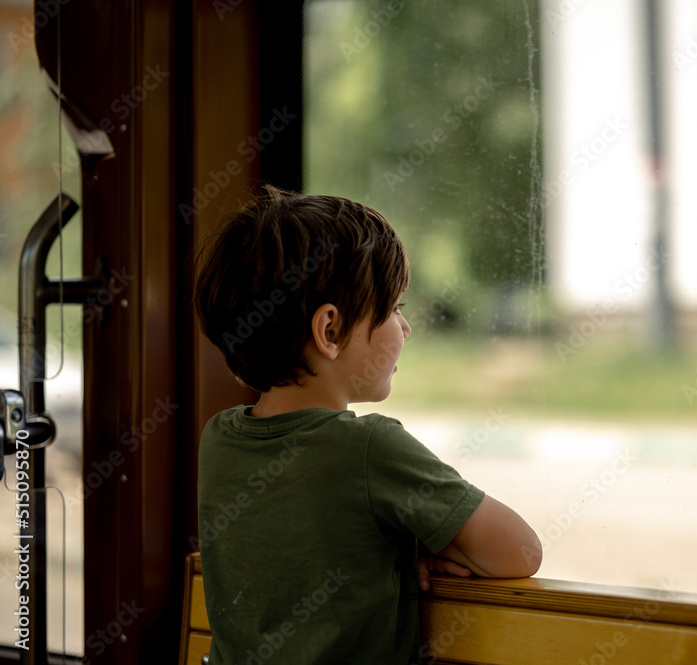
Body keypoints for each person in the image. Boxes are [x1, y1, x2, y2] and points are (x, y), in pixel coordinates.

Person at [193, 186, 542, 664]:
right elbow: (521, 552)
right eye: (394, 308)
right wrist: (427, 541)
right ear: (330, 331)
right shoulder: (370, 447)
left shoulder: (219, 440)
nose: (406, 327)